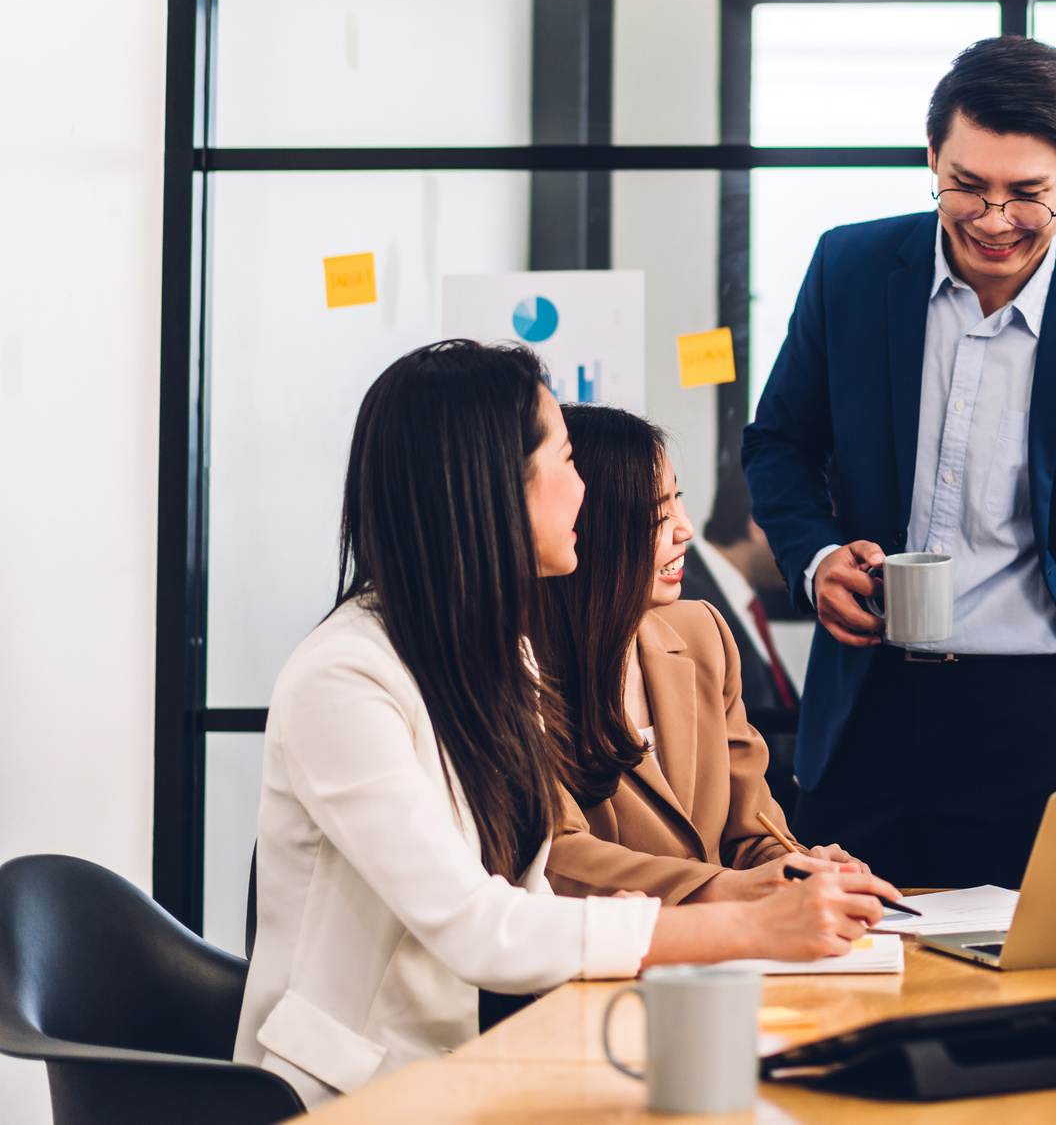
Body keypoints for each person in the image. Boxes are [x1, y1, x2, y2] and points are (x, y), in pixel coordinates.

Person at [236, 341, 901, 1108]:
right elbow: (478, 926)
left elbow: (529, 896)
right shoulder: (343, 679)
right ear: (492, 488)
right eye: (567, 460)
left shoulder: (490, 654)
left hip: (485, 1066)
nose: (587, 490)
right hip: (351, 1097)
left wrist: (704, 908)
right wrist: (752, 925)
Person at [743, 35, 1056, 889]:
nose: (993, 218)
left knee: (1039, 994)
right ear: (932, 156)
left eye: (1028, 193)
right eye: (966, 185)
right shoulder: (849, 270)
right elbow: (779, 443)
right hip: (868, 709)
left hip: (1051, 713)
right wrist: (816, 557)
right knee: (847, 986)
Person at [537, 404, 859, 904]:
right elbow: (557, 858)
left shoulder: (703, 632)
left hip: (728, 956)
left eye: (678, 500)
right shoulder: (521, 669)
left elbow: (753, 832)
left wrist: (797, 868)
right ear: (589, 524)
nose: (684, 528)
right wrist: (731, 889)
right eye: (656, 513)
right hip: (609, 964)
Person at [677, 475, 802, 815]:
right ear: (759, 524)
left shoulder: (741, 597)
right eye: (801, 531)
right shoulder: (683, 593)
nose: (808, 550)